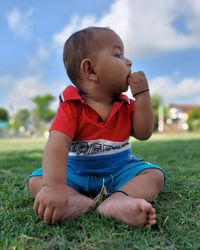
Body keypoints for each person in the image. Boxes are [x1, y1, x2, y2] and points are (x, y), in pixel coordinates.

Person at [29, 26, 166, 226]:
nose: (129, 61)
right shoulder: (72, 105)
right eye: (118, 55)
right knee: (37, 181)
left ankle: (118, 200)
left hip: (119, 172)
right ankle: (73, 198)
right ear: (90, 70)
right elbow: (57, 145)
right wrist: (55, 186)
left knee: (154, 175)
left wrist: (142, 95)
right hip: (75, 173)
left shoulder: (126, 105)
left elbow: (144, 133)